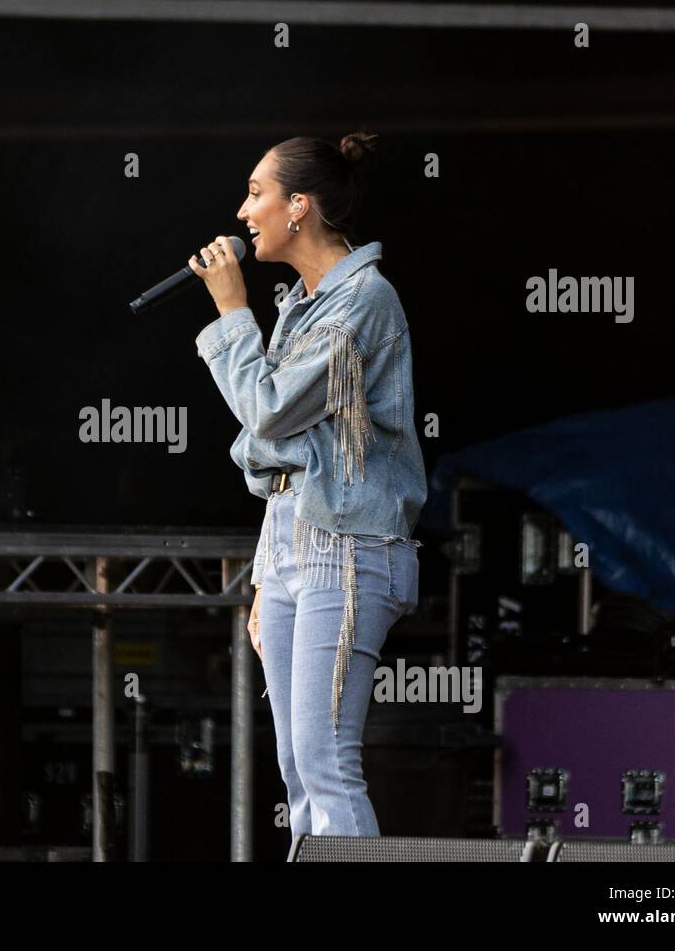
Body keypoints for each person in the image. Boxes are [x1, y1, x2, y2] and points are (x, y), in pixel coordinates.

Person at [189, 131, 427, 840]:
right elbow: (272, 445)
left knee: (327, 763)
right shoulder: (303, 306)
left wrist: (232, 309)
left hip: (349, 548)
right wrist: (267, 574)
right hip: (293, 544)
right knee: (295, 766)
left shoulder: (364, 300)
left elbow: (264, 412)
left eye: (256, 193)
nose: (243, 210)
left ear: (300, 207)